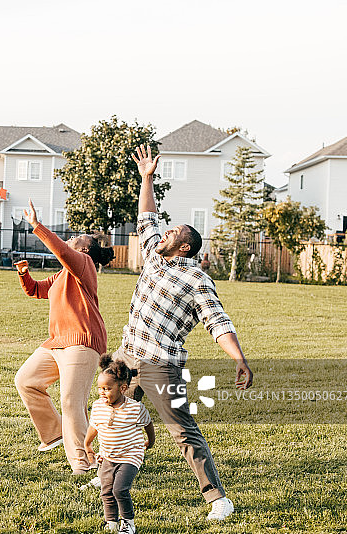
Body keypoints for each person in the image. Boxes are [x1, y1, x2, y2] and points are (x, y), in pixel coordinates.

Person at [113, 145, 254, 521]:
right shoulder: (155, 255)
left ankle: (218, 500)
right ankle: (109, 476)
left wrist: (239, 358)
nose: (164, 231)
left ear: (185, 246)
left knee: (181, 430)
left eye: (172, 231)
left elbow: (217, 322)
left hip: (161, 364)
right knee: (117, 414)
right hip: (127, 354)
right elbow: (147, 216)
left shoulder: (197, 279)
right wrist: (146, 177)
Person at [14, 200, 115, 474]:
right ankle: (56, 433)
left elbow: (60, 248)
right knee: (26, 380)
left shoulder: (84, 265)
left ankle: (85, 464)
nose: (70, 237)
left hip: (82, 341)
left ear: (83, 250)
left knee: (71, 402)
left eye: (75, 238)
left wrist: (37, 225)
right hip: (57, 341)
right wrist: (24, 275)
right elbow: (36, 290)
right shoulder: (63, 274)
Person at [84, 353, 155, 534]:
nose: (102, 392)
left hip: (131, 455)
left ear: (122, 388)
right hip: (107, 456)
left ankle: (128, 523)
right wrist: (88, 444)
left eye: (107, 389)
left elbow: (148, 424)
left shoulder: (135, 408)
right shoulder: (98, 406)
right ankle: (112, 522)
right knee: (106, 491)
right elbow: (94, 427)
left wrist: (150, 441)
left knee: (119, 489)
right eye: (100, 388)